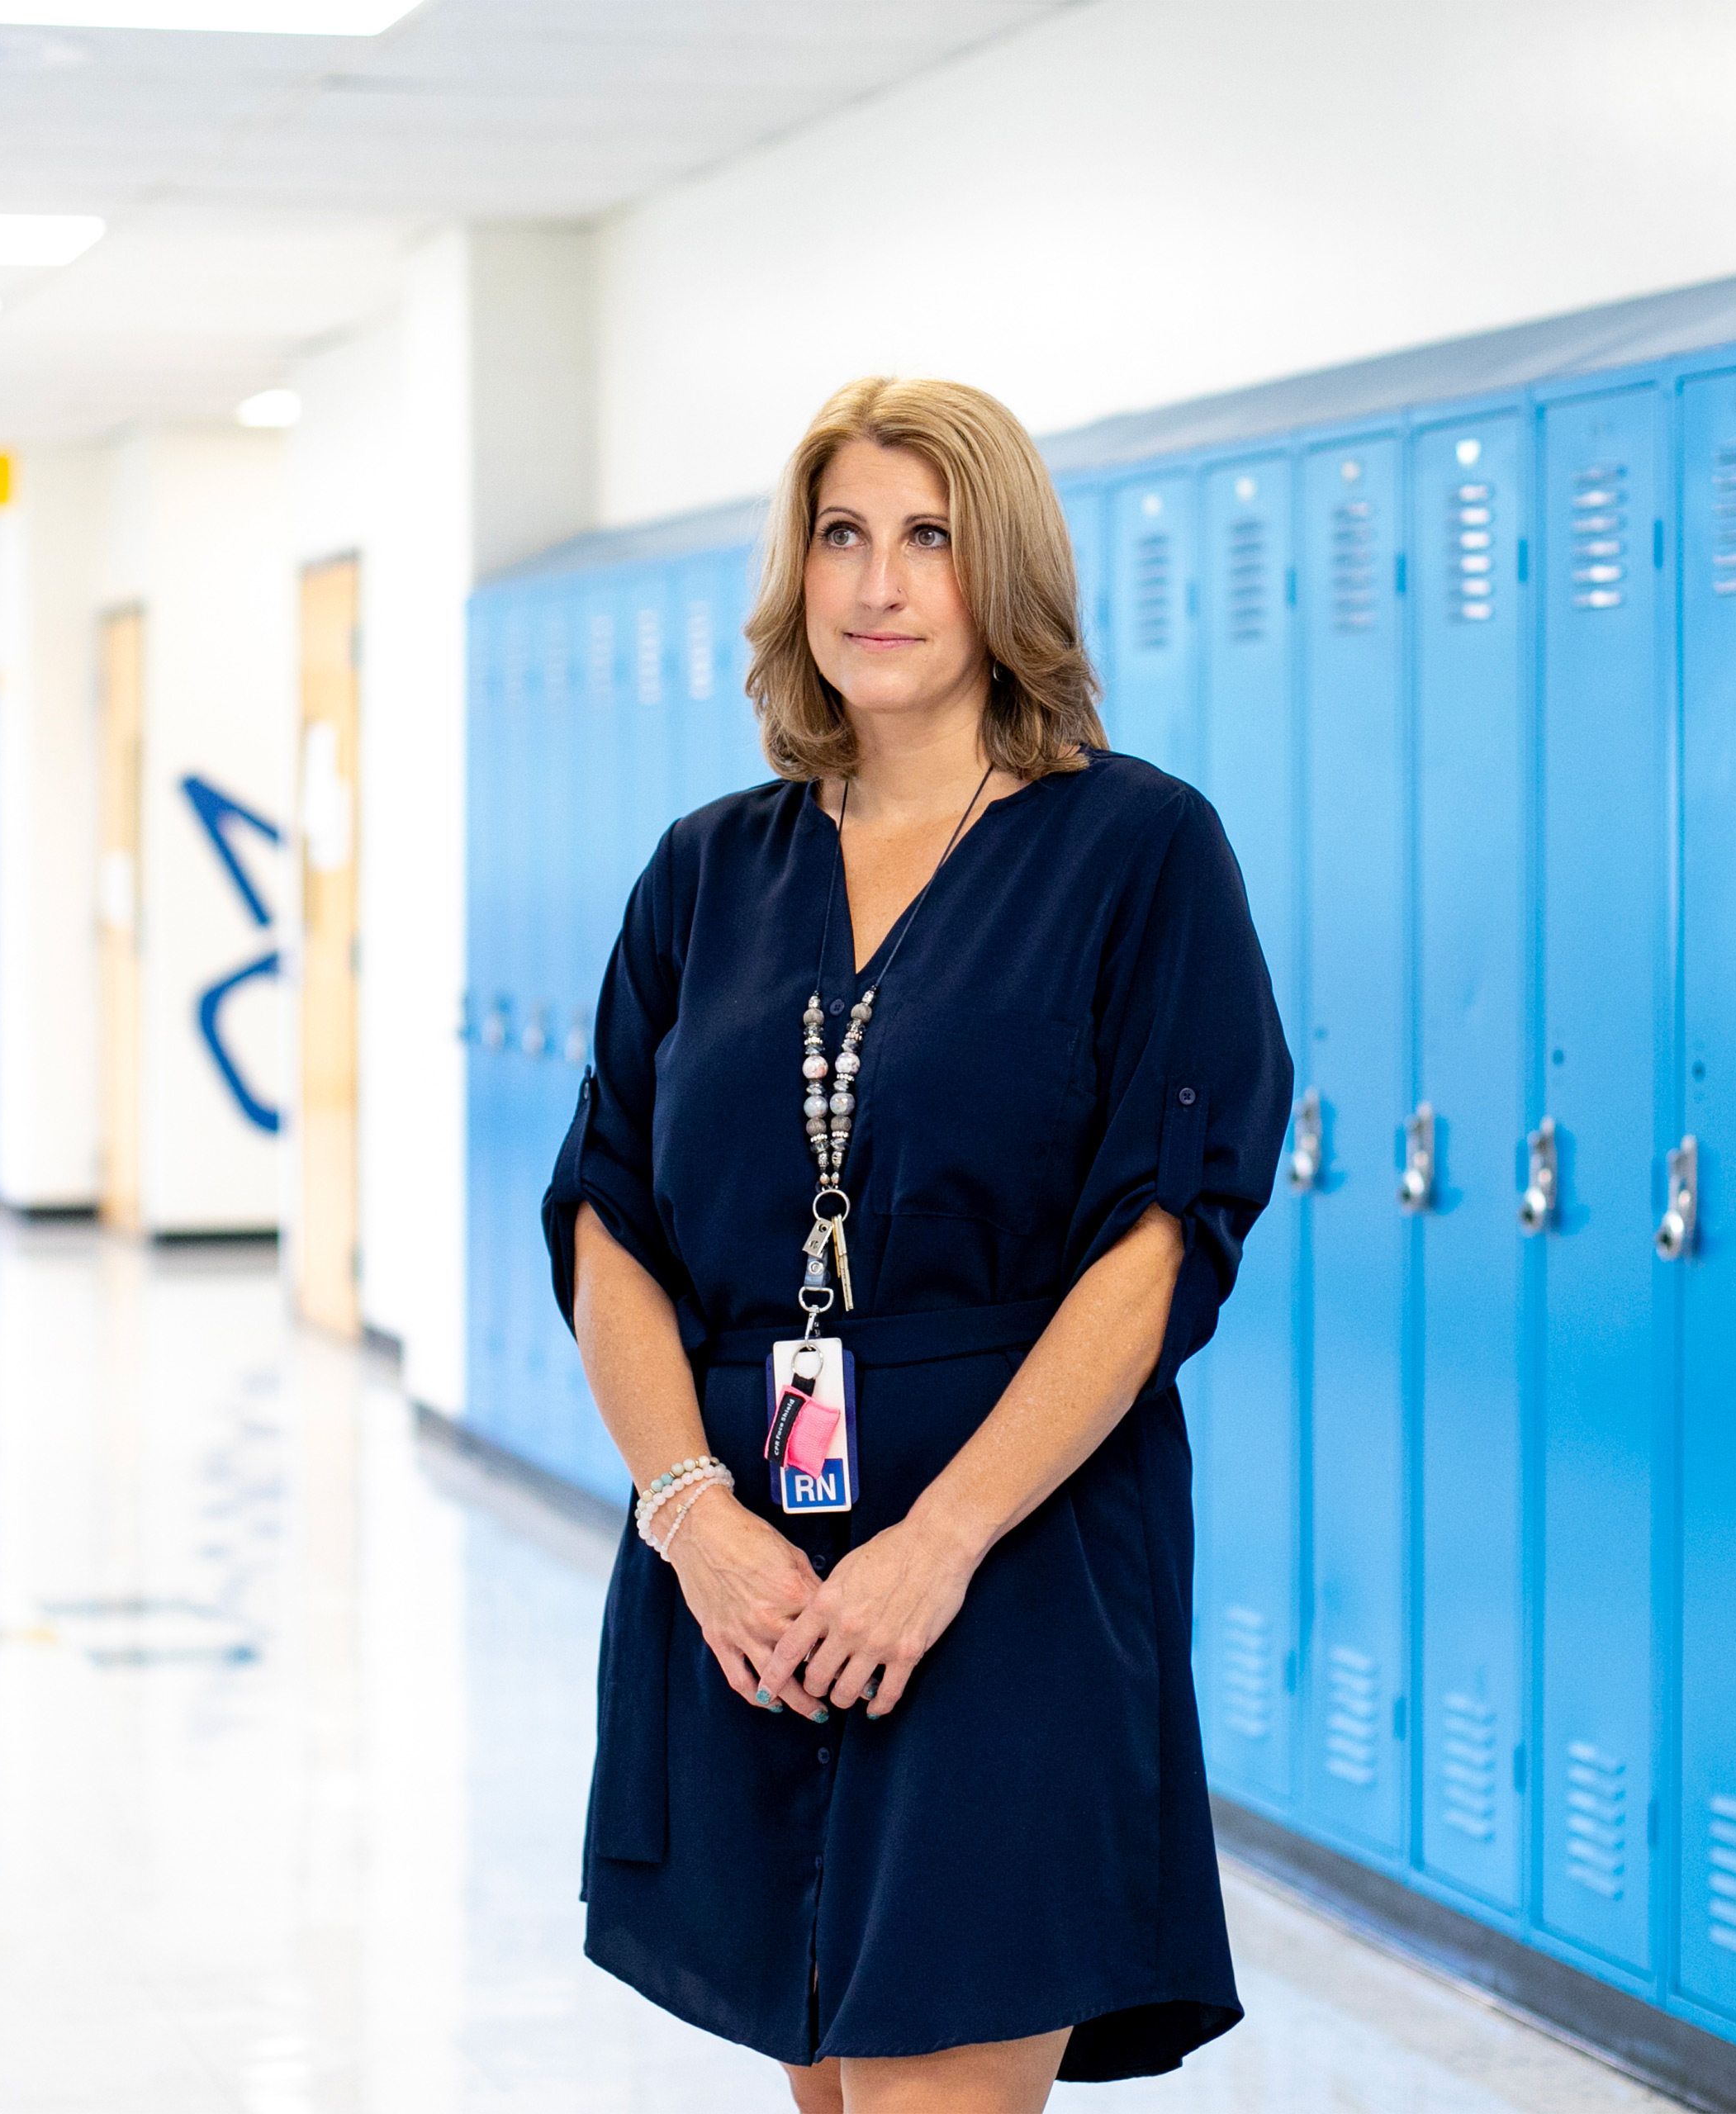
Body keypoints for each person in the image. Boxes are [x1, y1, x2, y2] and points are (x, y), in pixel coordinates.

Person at [545, 374, 1293, 2114]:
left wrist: (941, 1540)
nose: (878, 583)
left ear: (1003, 575)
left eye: (930, 538)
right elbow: (607, 1218)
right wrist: (692, 1513)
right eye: (843, 535)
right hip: (753, 1564)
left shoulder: (1137, 850)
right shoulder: (704, 872)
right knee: (823, 2075)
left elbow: (1163, 1238)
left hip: (1011, 1563)